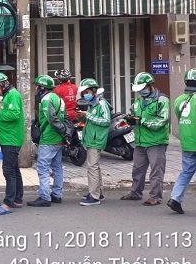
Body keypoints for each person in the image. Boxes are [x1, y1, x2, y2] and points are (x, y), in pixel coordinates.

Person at [120, 72, 170, 206]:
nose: (141, 92)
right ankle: (135, 193)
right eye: (139, 90)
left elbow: (162, 121)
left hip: (156, 142)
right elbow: (133, 113)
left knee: (156, 170)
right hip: (140, 141)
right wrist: (129, 119)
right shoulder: (138, 101)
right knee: (137, 169)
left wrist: (141, 121)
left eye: (143, 88)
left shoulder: (162, 100)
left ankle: (155, 196)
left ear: (150, 85)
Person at [0, 72, 24, 215]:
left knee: (8, 171)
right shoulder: (7, 96)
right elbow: (5, 113)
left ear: (2, 84)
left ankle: (8, 203)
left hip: (11, 139)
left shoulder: (13, 95)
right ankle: (17, 199)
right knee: (14, 169)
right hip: (8, 138)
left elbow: (14, 114)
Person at [28, 74, 66, 208]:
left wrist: (61, 130)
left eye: (38, 87)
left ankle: (45, 197)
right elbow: (64, 117)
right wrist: (63, 133)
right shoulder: (58, 99)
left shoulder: (46, 100)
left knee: (43, 168)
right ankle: (57, 195)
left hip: (48, 138)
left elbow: (52, 119)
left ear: (42, 88)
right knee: (57, 168)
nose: (36, 89)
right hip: (58, 140)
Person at [76, 78, 111, 206]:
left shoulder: (101, 104)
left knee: (92, 167)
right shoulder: (92, 104)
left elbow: (106, 121)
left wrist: (88, 115)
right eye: (84, 93)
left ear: (94, 90)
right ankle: (98, 192)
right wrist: (83, 117)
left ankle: (94, 196)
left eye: (87, 92)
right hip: (92, 138)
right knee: (95, 167)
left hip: (97, 139)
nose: (85, 94)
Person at [167, 68, 196, 214]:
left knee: (186, 172)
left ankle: (175, 198)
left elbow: (180, 119)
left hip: (187, 142)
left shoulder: (179, 100)